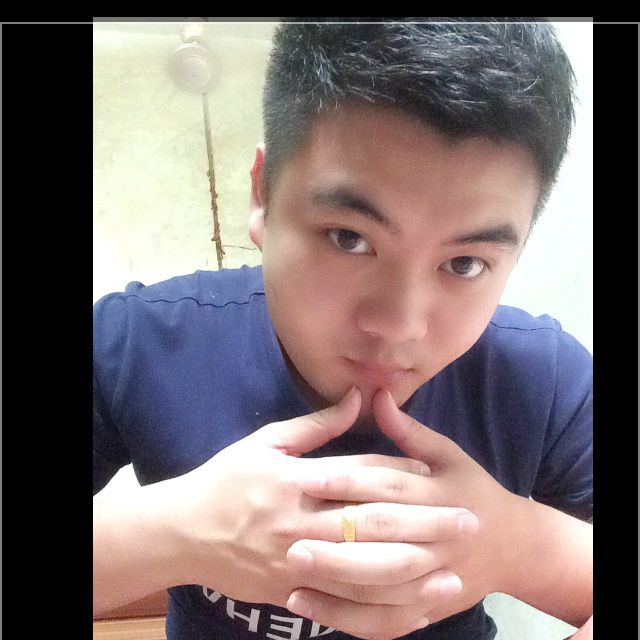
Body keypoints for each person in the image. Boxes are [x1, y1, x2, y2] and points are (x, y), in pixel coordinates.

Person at [93, 18, 593, 640]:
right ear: (262, 193)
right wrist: (176, 532)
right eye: (348, 238)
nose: (398, 326)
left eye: (465, 263)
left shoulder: (545, 380)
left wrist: (519, 545)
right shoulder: (137, 343)